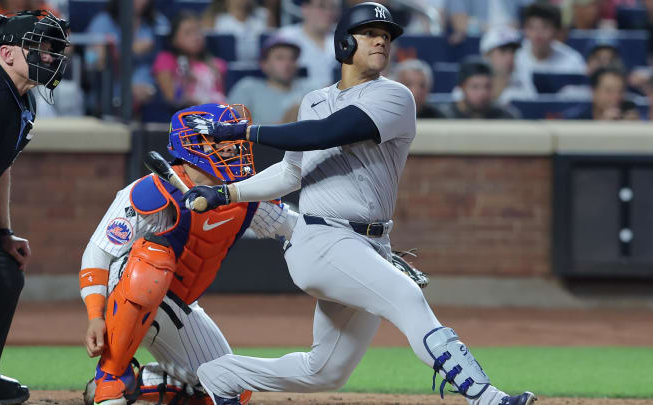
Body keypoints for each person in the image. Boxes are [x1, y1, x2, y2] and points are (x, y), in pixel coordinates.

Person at [181, 3, 536, 405]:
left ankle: (222, 375)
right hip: (319, 240)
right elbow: (288, 174)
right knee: (406, 298)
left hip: (372, 245)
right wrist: (225, 193)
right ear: (345, 42)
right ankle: (485, 396)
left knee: (325, 372)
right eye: (370, 32)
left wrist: (245, 131)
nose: (382, 39)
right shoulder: (314, 100)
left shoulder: (395, 96)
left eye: (386, 35)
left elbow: (328, 132)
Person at [80, 103, 297, 405]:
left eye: (235, 140)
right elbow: (99, 252)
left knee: (231, 388)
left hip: (178, 304)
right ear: (194, 146)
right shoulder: (153, 191)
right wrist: (94, 315)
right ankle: (111, 378)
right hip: (127, 292)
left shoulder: (244, 192)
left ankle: (140, 384)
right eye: (223, 141)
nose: (236, 148)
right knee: (152, 258)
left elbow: (295, 228)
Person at [0, 9, 68, 405]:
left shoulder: (23, 99)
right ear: (7, 54)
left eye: (51, 50)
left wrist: (3, 234)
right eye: (38, 49)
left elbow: (1, 166)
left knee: (5, 274)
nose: (49, 57)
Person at [85, 0, 169, 110]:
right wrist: (127, 51)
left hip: (152, 89)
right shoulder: (102, 22)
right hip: (112, 88)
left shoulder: (158, 22)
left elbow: (169, 58)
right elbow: (92, 63)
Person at [227, 35, 315, 124]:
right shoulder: (247, 88)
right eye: (280, 58)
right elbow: (233, 128)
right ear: (264, 64)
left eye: (292, 58)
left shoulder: (309, 89)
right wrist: (285, 124)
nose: (288, 63)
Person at [153, 11, 228, 110]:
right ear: (174, 39)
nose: (196, 37)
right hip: (186, 116)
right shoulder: (166, 60)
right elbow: (171, 99)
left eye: (198, 32)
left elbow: (222, 96)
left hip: (218, 114)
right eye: (188, 33)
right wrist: (184, 79)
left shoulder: (217, 64)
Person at [514, 2, 586, 95]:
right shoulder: (515, 57)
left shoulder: (573, 60)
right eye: (532, 27)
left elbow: (582, 96)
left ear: (556, 31)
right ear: (524, 30)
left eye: (545, 27)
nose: (537, 33)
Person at [276, 0, 339, 87]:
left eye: (332, 8)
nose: (328, 12)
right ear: (305, 9)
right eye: (322, 6)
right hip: (296, 97)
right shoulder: (287, 36)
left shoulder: (341, 40)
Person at [440, 58, 519, 119]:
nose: (482, 93)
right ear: (461, 88)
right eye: (475, 87)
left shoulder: (505, 117)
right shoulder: (445, 117)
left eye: (487, 86)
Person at [480, 25, 534, 104]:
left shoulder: (524, 84)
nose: (510, 57)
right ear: (486, 55)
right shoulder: (470, 82)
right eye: (503, 51)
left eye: (513, 52)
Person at [563, 66, 638, 120]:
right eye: (609, 91)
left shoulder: (630, 112)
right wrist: (601, 127)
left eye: (620, 91)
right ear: (594, 91)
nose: (616, 96)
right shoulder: (575, 119)